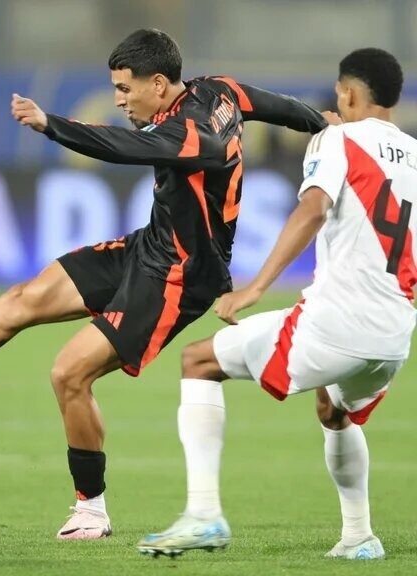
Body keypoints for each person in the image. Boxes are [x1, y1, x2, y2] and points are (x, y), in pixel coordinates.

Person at [0, 28, 331, 540]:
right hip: (149, 247)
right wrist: (322, 123)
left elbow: (120, 146)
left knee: (69, 373)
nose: (119, 100)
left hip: (179, 277)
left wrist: (50, 124)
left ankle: (91, 511)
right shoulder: (219, 89)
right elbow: (273, 105)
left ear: (158, 83)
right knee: (21, 300)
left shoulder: (191, 135)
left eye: (125, 88)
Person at [138, 47, 410, 561]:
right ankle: (359, 537)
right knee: (334, 409)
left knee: (198, 362)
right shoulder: (414, 154)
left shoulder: (338, 139)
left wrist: (255, 287)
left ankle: (202, 514)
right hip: (394, 337)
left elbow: (313, 209)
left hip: (339, 323)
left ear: (348, 94)